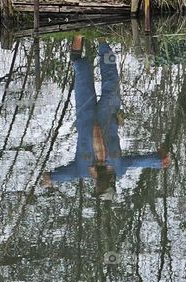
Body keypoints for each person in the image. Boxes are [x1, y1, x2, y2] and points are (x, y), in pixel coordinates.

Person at [44, 36, 171, 193]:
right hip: (108, 114)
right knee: (112, 79)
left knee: (81, 70)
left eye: (99, 187)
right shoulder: (118, 167)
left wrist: (51, 177)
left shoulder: (82, 170)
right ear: (111, 183)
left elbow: (67, 175)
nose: (100, 184)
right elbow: (136, 162)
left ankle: (79, 35)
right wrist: (158, 161)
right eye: (104, 186)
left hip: (85, 114)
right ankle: (102, 41)